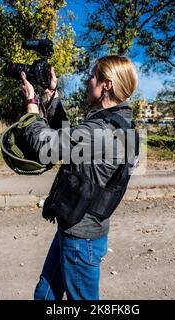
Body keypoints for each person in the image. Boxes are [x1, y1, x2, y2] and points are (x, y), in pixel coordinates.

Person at [18, 55, 139, 300]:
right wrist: (52, 95)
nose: (87, 80)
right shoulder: (118, 123)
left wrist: (32, 106)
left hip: (82, 237)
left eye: (92, 75)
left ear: (107, 84)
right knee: (45, 295)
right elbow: (72, 139)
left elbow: (46, 146)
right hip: (75, 223)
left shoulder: (102, 131)